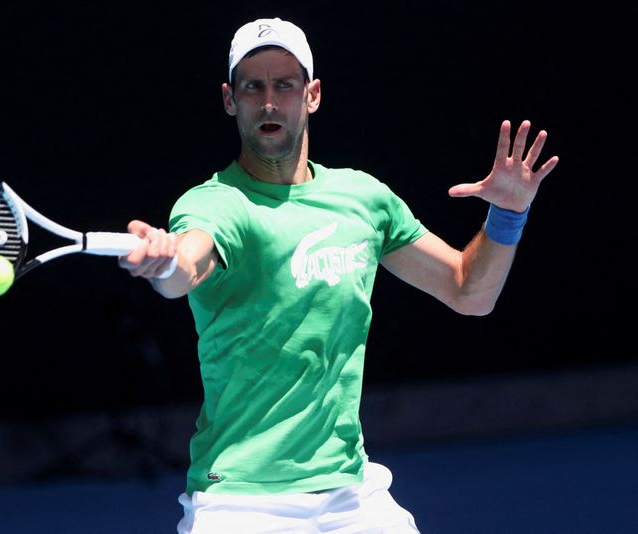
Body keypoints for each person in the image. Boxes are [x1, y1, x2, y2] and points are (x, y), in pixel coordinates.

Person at [119, 17, 558, 534]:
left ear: (313, 95)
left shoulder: (362, 199)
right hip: (240, 500)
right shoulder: (216, 204)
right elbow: (185, 268)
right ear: (229, 99)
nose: (268, 102)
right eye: (252, 86)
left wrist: (507, 216)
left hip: (352, 495)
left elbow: (469, 292)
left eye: (284, 85)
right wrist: (164, 263)